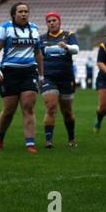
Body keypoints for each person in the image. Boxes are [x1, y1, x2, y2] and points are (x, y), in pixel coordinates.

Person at [0, 2, 44, 153]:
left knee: (28, 107)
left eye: (26, 11)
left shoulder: (34, 28)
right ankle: (0, 137)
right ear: (13, 14)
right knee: (9, 110)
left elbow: (38, 53)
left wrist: (41, 75)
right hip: (9, 72)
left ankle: (30, 143)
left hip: (29, 72)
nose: (23, 14)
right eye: (20, 11)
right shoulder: (5, 27)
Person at [40, 11, 79, 148]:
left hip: (66, 77)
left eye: (54, 20)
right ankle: (48, 140)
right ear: (47, 24)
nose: (51, 23)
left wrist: (67, 47)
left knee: (67, 111)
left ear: (59, 22)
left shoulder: (68, 35)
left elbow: (76, 49)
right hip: (48, 77)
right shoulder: (42, 38)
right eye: (49, 21)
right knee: (51, 107)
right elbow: (37, 56)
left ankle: (71, 137)